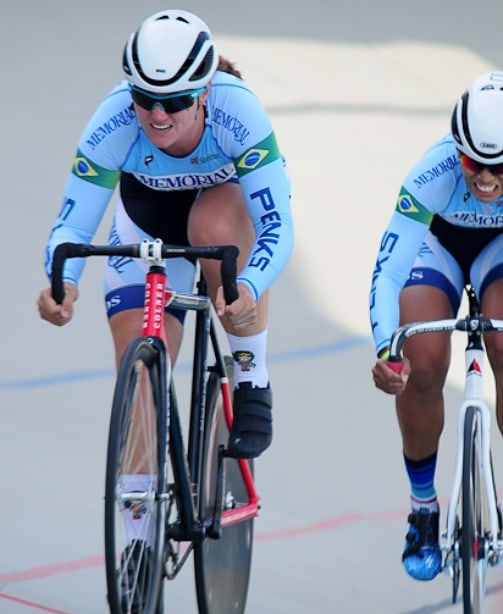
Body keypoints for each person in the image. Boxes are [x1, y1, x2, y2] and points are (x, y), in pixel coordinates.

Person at [37, 9, 294, 462]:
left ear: (204, 92)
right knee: (138, 381)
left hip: (222, 209)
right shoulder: (112, 121)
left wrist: (249, 286)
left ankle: (251, 374)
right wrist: (64, 282)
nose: (157, 114)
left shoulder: (238, 111)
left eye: (175, 102)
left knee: (216, 232)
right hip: (149, 216)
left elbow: (277, 224)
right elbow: (72, 228)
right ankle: (140, 504)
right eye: (144, 98)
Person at [370, 71, 503, 582]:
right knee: (421, 364)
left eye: (499, 167)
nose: (485, 179)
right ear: (457, 150)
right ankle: (423, 509)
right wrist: (387, 350)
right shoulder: (432, 172)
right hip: (439, 248)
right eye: (473, 163)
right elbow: (389, 273)